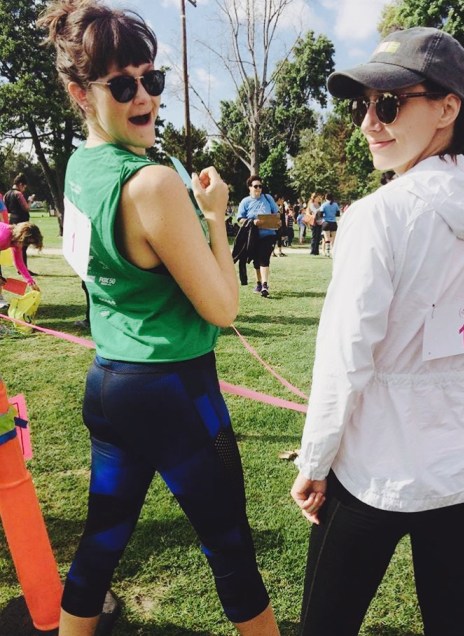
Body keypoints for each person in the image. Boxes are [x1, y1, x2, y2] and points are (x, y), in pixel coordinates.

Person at [39, 2, 280, 635]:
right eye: (122, 86)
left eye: (152, 78)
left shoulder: (82, 166)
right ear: (80, 93)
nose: (144, 95)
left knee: (101, 541)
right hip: (175, 388)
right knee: (231, 548)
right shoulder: (151, 183)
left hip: (110, 383)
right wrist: (217, 217)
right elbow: (223, 307)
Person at [291, 26, 464, 636]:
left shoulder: (379, 217)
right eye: (364, 106)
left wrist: (314, 461)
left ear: (448, 108)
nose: (370, 122)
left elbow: (345, 359)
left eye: (388, 105)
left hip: (373, 469)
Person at [237, 176, 279, 297]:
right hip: (252, 235)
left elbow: (276, 213)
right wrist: (253, 222)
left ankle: (265, 285)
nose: (258, 188)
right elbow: (240, 219)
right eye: (256, 186)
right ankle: (259, 283)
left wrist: (277, 220)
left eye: (260, 186)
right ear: (250, 187)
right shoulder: (245, 202)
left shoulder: (268, 198)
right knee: (256, 260)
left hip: (269, 234)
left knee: (264, 257)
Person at [0, 222, 42, 308]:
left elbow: (19, 262)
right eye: (26, 241)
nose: (25, 245)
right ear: (21, 235)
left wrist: (30, 282)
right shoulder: (4, 237)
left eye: (28, 243)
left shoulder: (16, 241)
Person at [4, 173, 37, 276]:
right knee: (23, 246)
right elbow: (26, 208)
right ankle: (24, 268)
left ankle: (20, 268)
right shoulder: (18, 194)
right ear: (20, 184)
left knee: (16, 246)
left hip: (12, 221)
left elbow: (5, 208)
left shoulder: (7, 194)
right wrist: (30, 200)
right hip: (22, 222)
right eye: (24, 187)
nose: (24, 189)